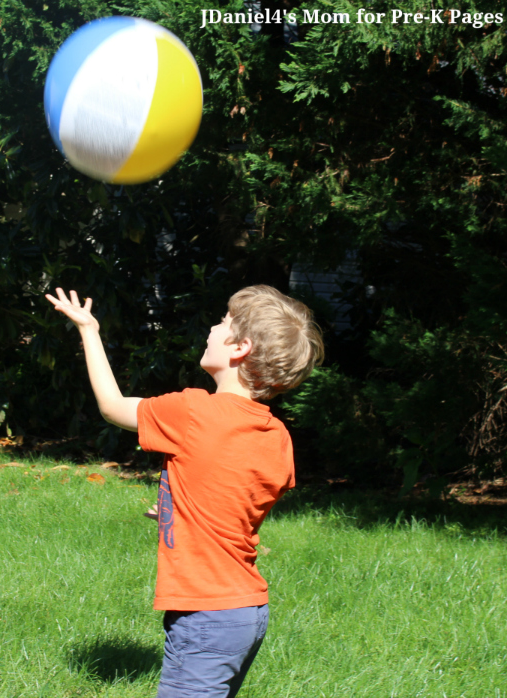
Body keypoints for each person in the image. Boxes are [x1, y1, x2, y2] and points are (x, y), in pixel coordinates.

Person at [45, 284, 324, 698]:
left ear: (240, 347)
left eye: (223, 322)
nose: (212, 327)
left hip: (206, 612)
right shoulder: (278, 436)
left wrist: (89, 330)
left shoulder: (193, 410)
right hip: (248, 612)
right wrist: (182, 510)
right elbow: (240, 504)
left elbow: (112, 405)